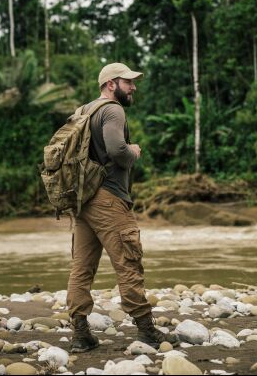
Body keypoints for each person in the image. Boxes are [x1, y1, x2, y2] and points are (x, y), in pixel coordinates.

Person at [66, 62, 179, 353]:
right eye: (128, 82)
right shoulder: (113, 109)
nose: (133, 86)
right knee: (129, 261)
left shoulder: (84, 110)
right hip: (108, 199)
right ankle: (146, 331)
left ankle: (80, 334)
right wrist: (134, 152)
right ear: (111, 84)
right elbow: (117, 150)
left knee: (81, 268)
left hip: (83, 200)